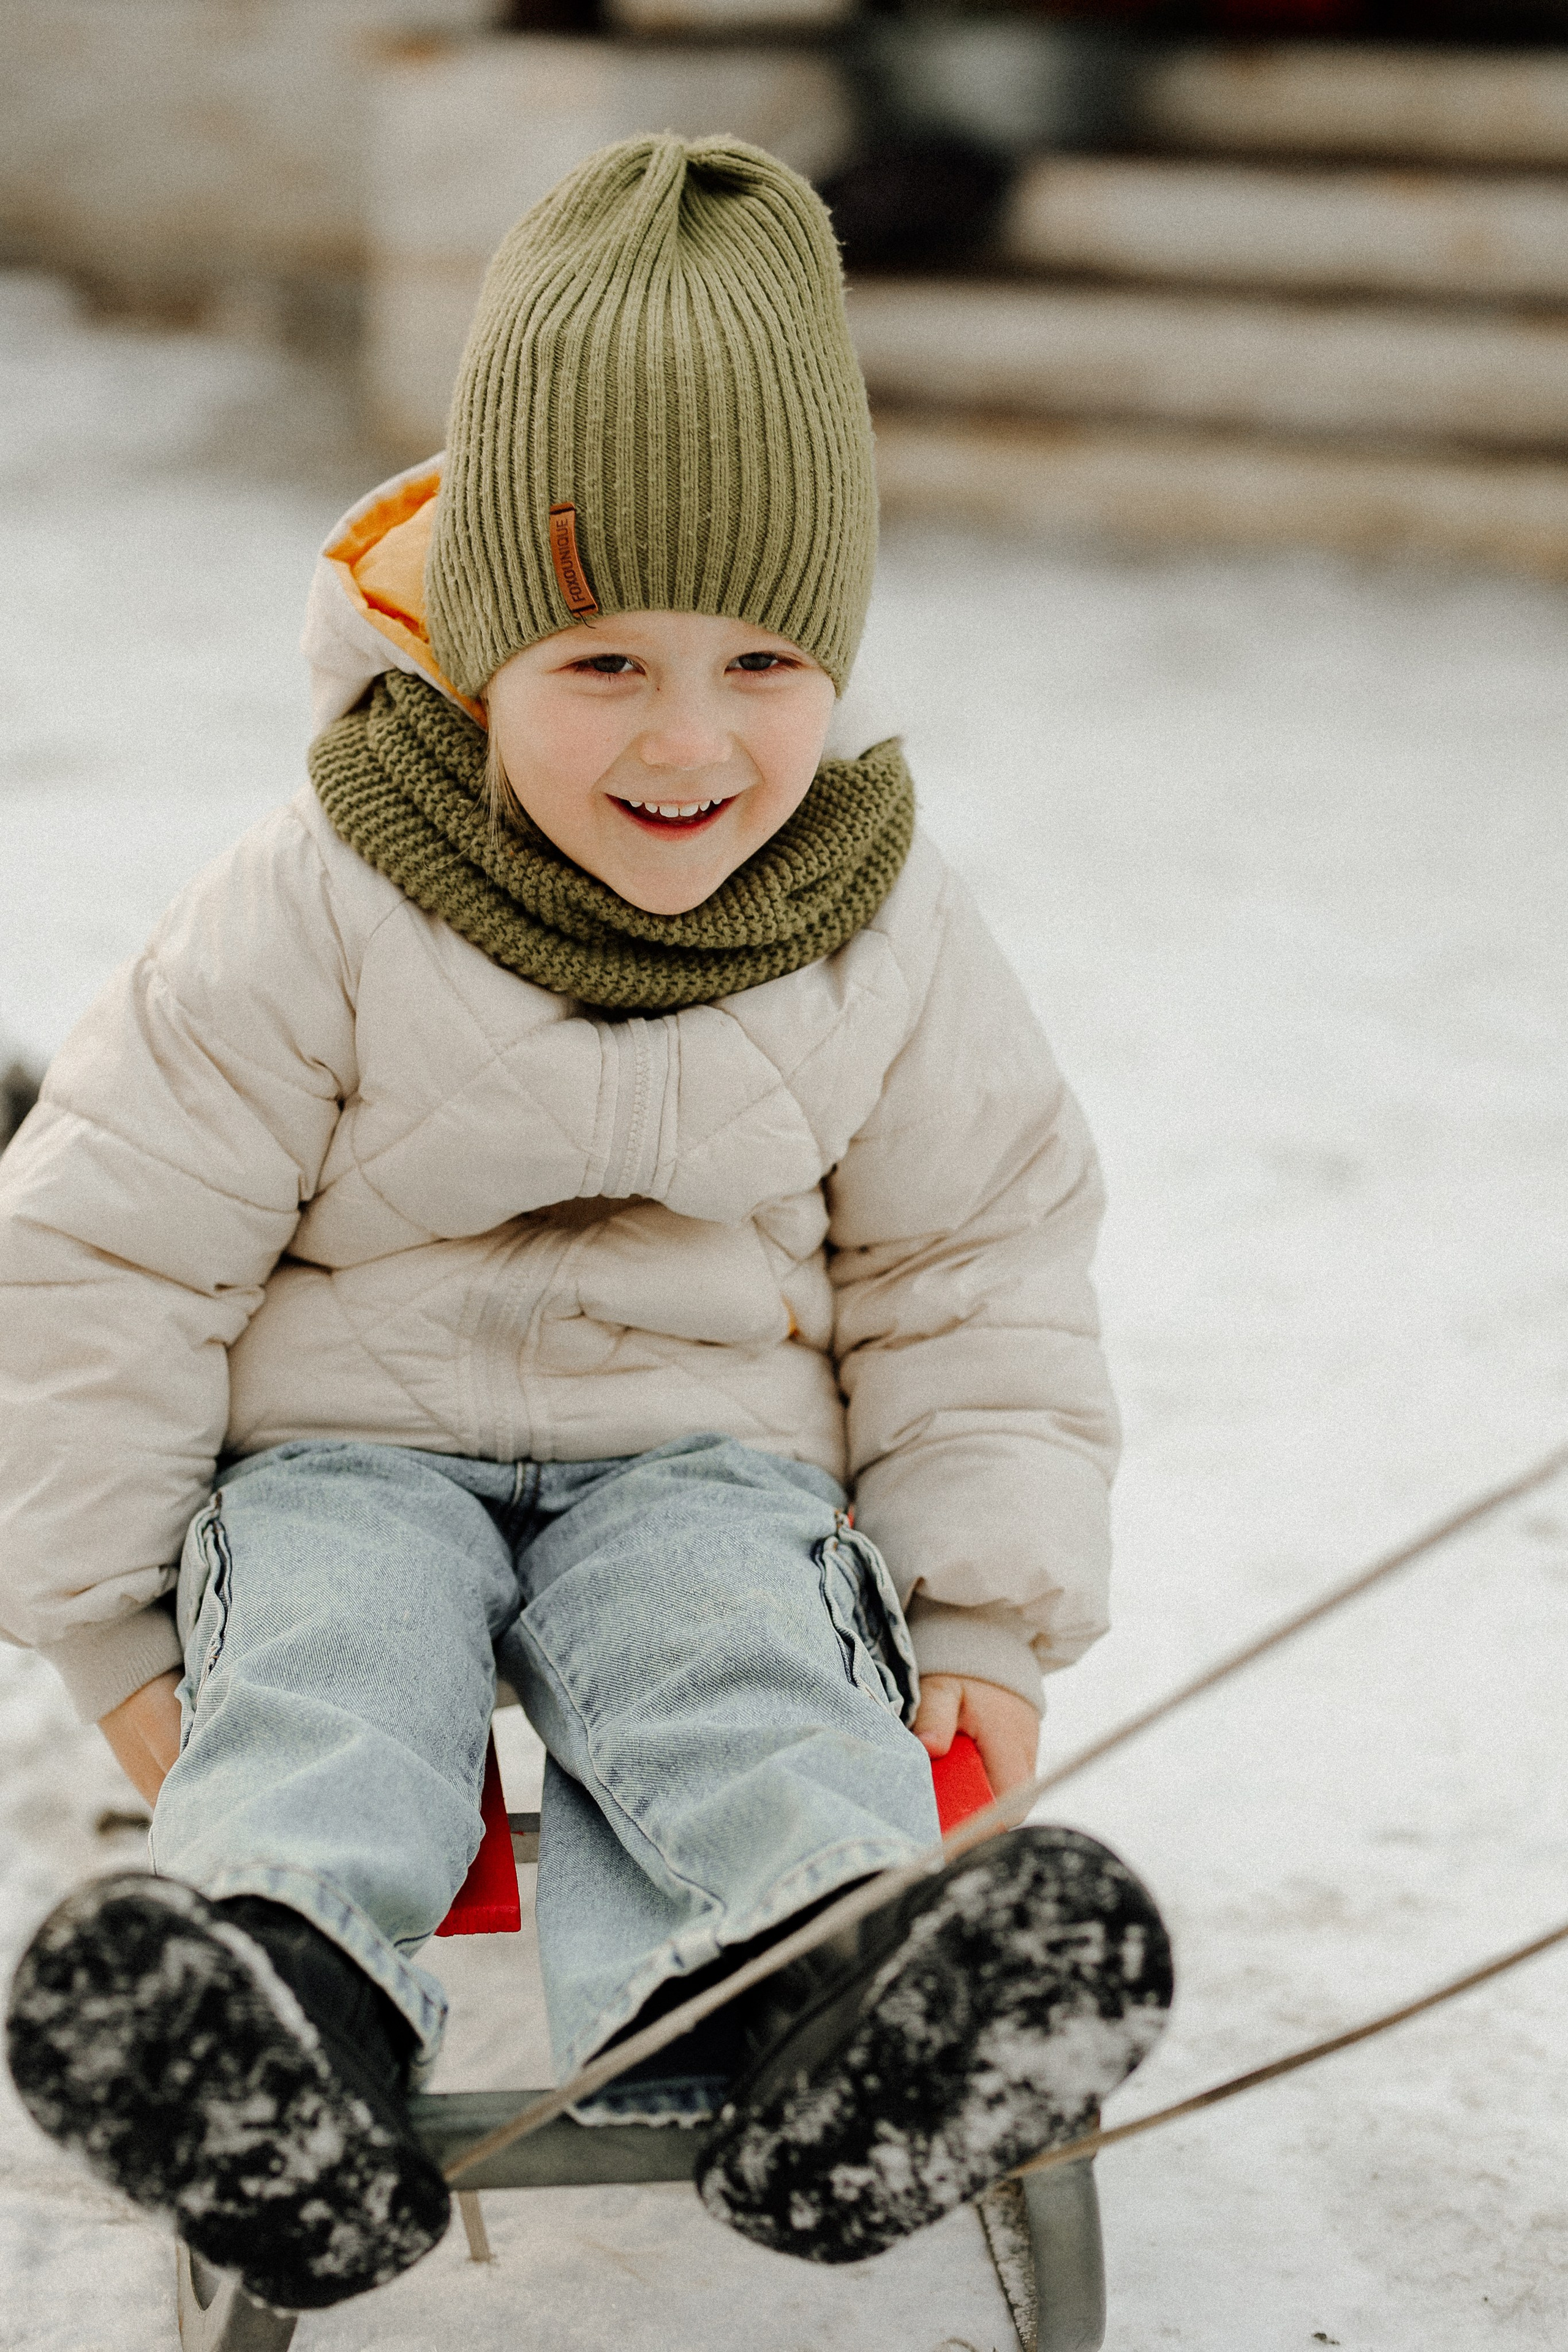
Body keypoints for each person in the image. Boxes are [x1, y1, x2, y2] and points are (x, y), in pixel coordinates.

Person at [1, 134, 1170, 2312]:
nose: (691, 739)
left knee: (741, 1672)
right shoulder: (326, 884)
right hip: (340, 1446)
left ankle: (841, 2003)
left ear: (837, 652)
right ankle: (276, 2036)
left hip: (712, 1456)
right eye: (603, 664)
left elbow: (973, 1268)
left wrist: (985, 1623)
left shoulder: (880, 915)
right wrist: (110, 1634)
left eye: (760, 662)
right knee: (335, 1680)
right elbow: (109, 1246)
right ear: (472, 642)